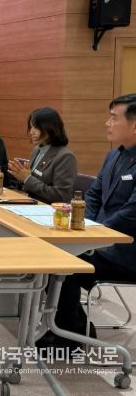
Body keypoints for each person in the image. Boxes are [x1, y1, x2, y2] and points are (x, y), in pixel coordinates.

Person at [37, 94, 136, 352]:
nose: (107, 123)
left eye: (113, 119)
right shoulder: (114, 156)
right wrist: (84, 227)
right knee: (51, 253)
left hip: (126, 252)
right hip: (101, 240)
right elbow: (93, 196)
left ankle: (70, 335)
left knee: (62, 262)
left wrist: (95, 235)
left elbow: (131, 213)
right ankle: (72, 326)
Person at [8, 107, 77, 204]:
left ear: (50, 129)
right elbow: (31, 183)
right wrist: (21, 178)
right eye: (31, 127)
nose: (31, 132)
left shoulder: (66, 157)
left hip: (50, 209)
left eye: (35, 127)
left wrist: (27, 179)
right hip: (30, 203)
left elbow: (60, 196)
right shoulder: (37, 149)